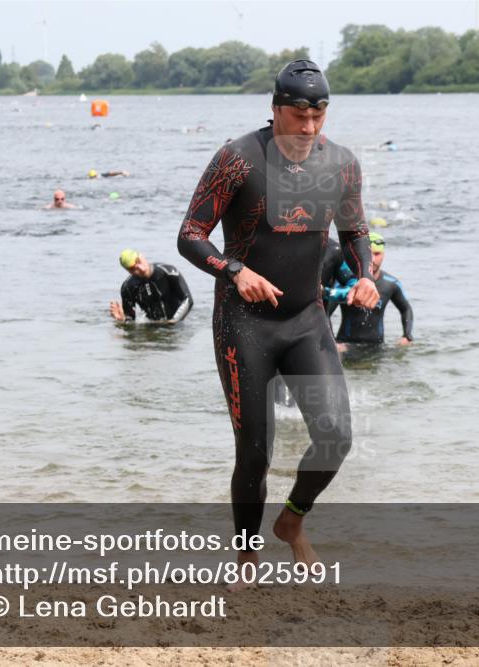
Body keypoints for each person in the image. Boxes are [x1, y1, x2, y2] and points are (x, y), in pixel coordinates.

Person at [177, 59, 379, 584]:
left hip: (306, 318)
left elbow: (356, 231)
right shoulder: (238, 158)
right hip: (244, 323)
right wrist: (234, 271)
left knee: (336, 436)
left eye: (318, 116)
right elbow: (191, 235)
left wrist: (366, 276)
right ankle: (247, 558)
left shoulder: (342, 164)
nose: (308, 128)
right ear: (276, 109)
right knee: (255, 453)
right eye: (298, 115)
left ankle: (292, 520)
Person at [326, 232, 413, 350]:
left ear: (383, 254)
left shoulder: (391, 283)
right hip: (346, 346)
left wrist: (407, 336)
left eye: (377, 254)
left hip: (377, 347)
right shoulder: (347, 282)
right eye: (369, 254)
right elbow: (325, 313)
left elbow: (406, 309)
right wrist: (332, 343)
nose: (372, 259)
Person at [109, 249, 193, 324]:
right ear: (128, 271)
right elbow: (130, 321)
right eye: (133, 268)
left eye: (138, 261)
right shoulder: (128, 288)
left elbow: (188, 300)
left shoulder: (168, 272)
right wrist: (122, 321)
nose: (140, 268)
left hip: (178, 326)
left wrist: (173, 322)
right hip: (152, 330)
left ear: (142, 256)